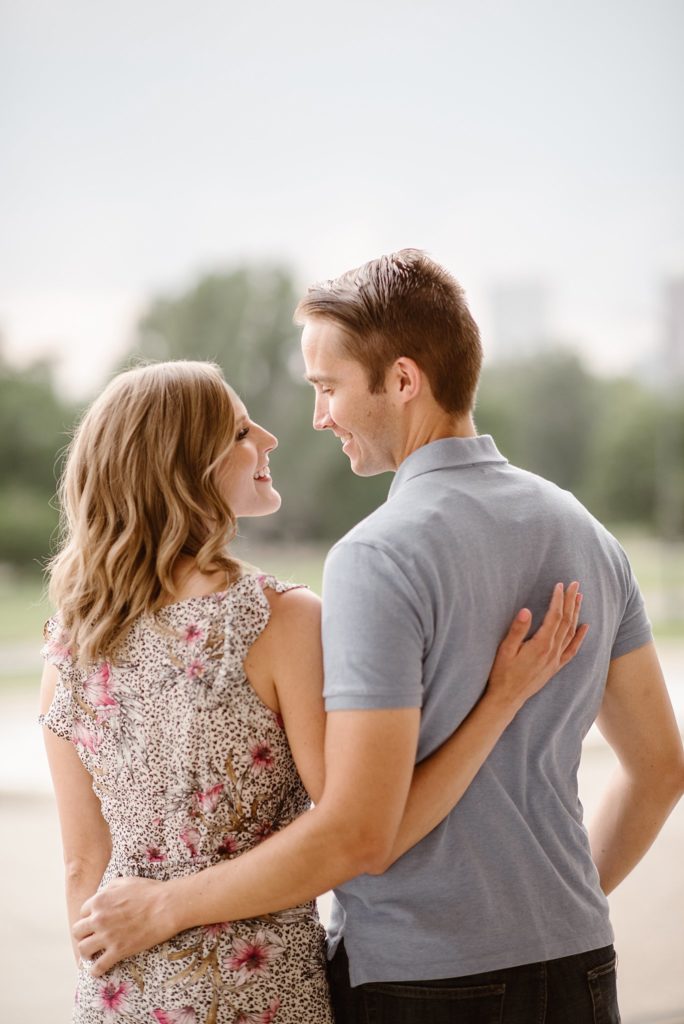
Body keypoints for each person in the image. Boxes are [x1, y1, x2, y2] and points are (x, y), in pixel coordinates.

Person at [69, 250, 683, 1023]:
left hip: (425, 980)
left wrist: (162, 909)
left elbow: (359, 831)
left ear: (401, 380)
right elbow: (660, 768)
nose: (318, 417)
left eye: (327, 388)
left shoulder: (376, 556)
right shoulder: (586, 533)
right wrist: (565, 905)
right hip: (581, 964)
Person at [40, 359, 583, 1023]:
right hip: (257, 999)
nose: (269, 438)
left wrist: (126, 980)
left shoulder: (69, 641)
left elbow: (82, 865)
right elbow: (366, 832)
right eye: (240, 431)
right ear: (185, 465)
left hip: (119, 995)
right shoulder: (279, 620)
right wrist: (500, 701)